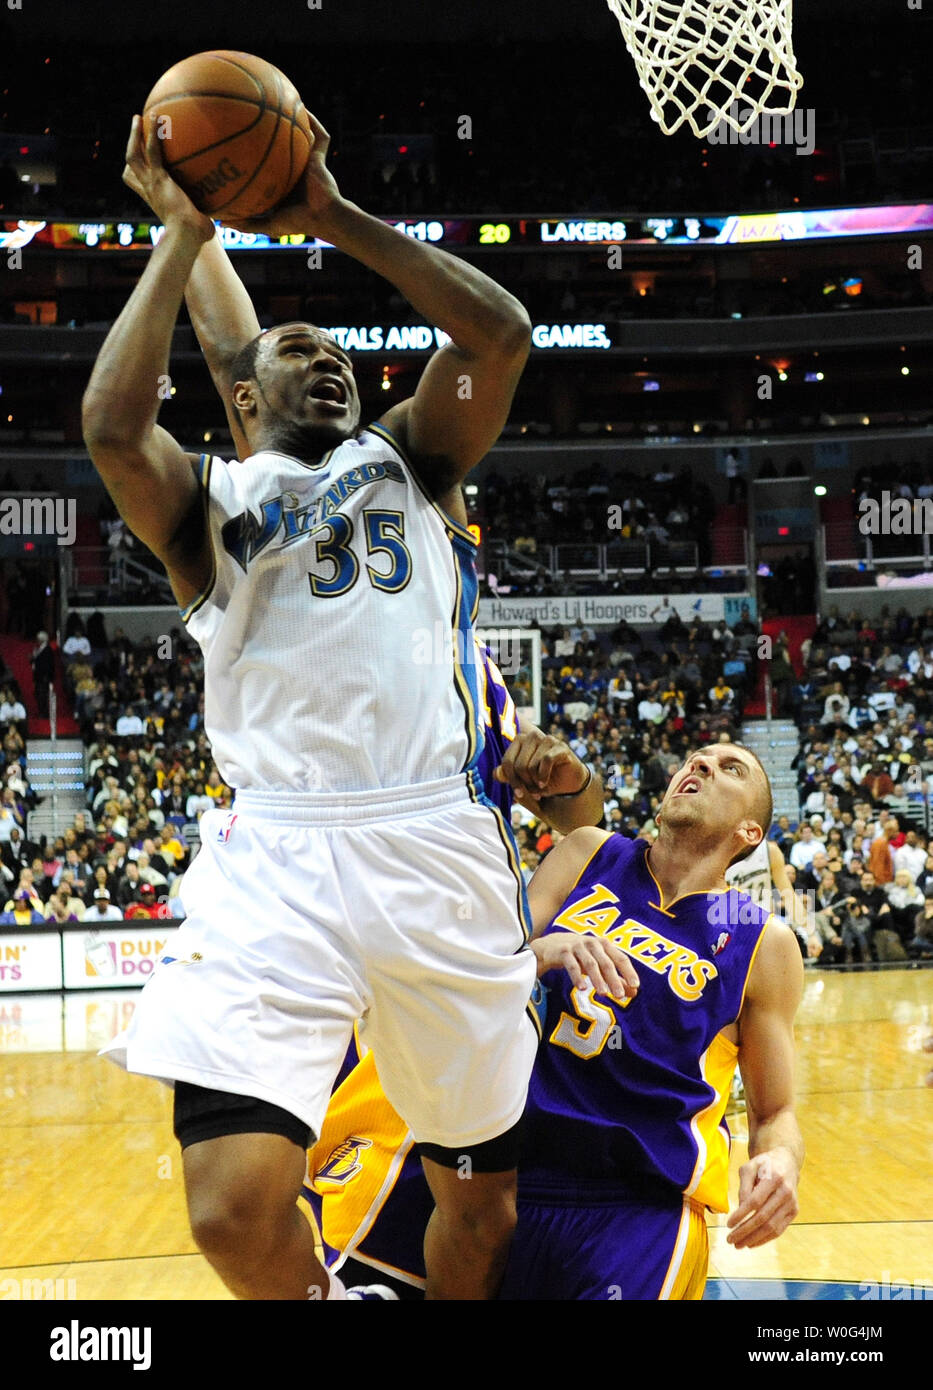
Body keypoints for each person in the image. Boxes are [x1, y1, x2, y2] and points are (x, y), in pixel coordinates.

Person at [86, 107, 546, 1302]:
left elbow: (499, 333)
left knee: (480, 1207)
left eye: (339, 346)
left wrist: (329, 212)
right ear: (242, 397)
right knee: (231, 1210)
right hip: (276, 848)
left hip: (432, 838)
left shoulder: (412, 458)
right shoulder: (208, 505)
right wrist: (183, 237)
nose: (328, 354)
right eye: (297, 347)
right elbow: (110, 426)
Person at [305, 742, 804, 1299]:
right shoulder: (589, 853)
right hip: (495, 1173)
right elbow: (488, 965)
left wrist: (780, 1159)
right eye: (695, 759)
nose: (701, 766)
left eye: (730, 769)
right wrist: (543, 952)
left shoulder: (765, 943)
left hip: (635, 1205)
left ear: (749, 833)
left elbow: (775, 1109)